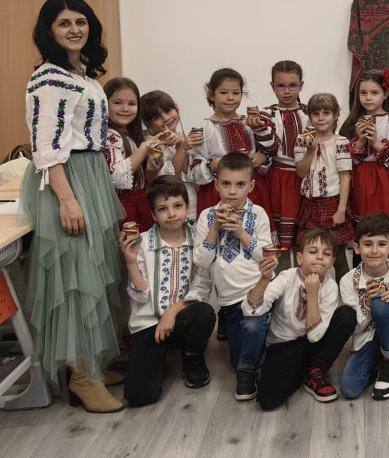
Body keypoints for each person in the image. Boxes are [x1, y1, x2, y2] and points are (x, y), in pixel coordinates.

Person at [18, 0, 125, 412]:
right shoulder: (50, 78)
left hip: (89, 173)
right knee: (76, 278)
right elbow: (46, 147)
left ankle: (91, 362)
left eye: (80, 21)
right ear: (49, 30)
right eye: (64, 23)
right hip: (68, 178)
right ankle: (81, 377)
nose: (75, 29)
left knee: (95, 272)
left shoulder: (80, 74)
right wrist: (67, 199)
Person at [121, 177, 216, 406]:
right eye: (163, 209)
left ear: (187, 207)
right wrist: (131, 262)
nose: (172, 214)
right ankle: (156, 357)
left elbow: (202, 289)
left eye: (177, 206)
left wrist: (172, 312)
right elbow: (141, 296)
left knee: (203, 313)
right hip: (149, 323)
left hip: (183, 319)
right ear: (153, 215)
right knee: (140, 396)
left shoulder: (198, 242)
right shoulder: (142, 243)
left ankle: (192, 357)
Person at [244, 228, 357, 409]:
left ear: (332, 262)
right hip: (285, 344)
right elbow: (251, 309)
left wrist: (313, 295)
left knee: (347, 315)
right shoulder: (287, 277)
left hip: (315, 341)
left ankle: (316, 369)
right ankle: (304, 372)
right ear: (299, 258)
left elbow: (314, 336)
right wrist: (264, 279)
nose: (319, 257)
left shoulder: (330, 287)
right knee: (267, 399)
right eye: (313, 251)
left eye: (326, 254)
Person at [193, 151, 272, 400]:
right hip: (229, 301)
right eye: (226, 184)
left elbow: (266, 257)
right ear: (216, 184)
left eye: (240, 184)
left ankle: (250, 368)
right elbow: (201, 261)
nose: (232, 191)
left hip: (257, 292)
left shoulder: (258, 214)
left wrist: (241, 233)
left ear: (251, 186)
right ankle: (250, 357)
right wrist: (215, 227)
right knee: (236, 361)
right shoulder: (207, 216)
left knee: (254, 329)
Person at [339, 214, 389, 400]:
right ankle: (378, 363)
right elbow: (354, 328)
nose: (374, 250)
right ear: (357, 248)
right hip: (367, 339)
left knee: (382, 304)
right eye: (368, 244)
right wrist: (368, 305)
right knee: (349, 388)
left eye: (381, 244)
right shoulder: (348, 281)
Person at [188, 68, 270, 216]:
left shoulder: (249, 123)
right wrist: (212, 165)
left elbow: (266, 150)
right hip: (219, 192)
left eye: (236, 93)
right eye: (224, 92)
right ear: (211, 95)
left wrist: (261, 157)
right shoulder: (204, 128)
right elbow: (195, 168)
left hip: (251, 190)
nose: (230, 98)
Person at [253, 60, 309, 250]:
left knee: (305, 234)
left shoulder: (310, 112)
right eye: (281, 86)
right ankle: (279, 267)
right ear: (272, 86)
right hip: (276, 178)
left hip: (305, 177)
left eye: (292, 85)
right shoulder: (266, 115)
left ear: (301, 85)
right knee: (278, 236)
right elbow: (268, 148)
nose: (287, 91)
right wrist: (259, 128)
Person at [341, 69, 389, 231]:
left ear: (385, 94)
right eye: (363, 93)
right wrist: (360, 142)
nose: (368, 97)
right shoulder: (353, 122)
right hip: (362, 182)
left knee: (386, 228)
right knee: (364, 228)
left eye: (374, 93)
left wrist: (376, 143)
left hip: (386, 181)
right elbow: (347, 162)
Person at [294, 93, 353, 270]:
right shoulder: (302, 140)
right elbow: (300, 172)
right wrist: (310, 151)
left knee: (337, 254)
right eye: (316, 114)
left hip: (333, 203)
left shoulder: (341, 142)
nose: (321, 118)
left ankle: (343, 288)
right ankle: (309, 286)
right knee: (309, 252)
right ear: (310, 116)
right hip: (310, 204)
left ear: (336, 115)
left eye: (326, 113)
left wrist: (341, 210)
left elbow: (345, 176)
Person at [104, 77, 157, 231]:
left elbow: (142, 181)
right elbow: (117, 177)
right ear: (104, 103)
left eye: (131, 104)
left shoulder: (131, 136)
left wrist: (153, 168)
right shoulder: (110, 136)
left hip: (141, 202)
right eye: (117, 102)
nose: (125, 108)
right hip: (123, 207)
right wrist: (144, 148)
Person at [140, 89, 203, 218]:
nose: (166, 118)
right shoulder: (153, 146)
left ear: (176, 108)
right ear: (148, 124)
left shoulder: (187, 137)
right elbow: (171, 180)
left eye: (168, 111)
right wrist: (182, 147)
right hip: (169, 205)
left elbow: (192, 174)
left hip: (194, 201)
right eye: (156, 117)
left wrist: (182, 144)